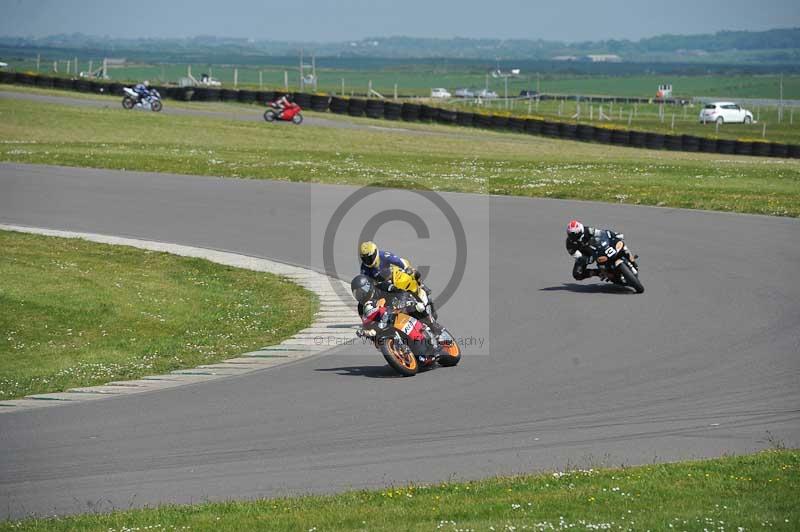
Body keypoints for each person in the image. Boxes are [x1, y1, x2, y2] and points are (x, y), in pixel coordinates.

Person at [350, 274, 439, 366]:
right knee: (377, 340)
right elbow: (366, 321)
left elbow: (399, 291)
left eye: (361, 292)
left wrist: (401, 302)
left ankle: (432, 325)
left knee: (417, 307)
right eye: (356, 293)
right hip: (385, 319)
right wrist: (368, 333)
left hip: (398, 306)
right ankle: (399, 352)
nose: (360, 295)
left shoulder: (381, 286)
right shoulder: (361, 307)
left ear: (368, 286)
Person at [358, 241, 437, 320]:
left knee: (414, 275)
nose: (368, 261)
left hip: (394, 276)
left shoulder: (384, 256)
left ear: (376, 252)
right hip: (381, 285)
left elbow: (400, 262)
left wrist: (408, 269)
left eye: (369, 257)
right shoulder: (364, 268)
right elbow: (367, 282)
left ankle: (422, 287)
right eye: (365, 259)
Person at [566, 219, 635, 280]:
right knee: (577, 274)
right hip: (586, 254)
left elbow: (603, 233)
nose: (573, 236)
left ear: (581, 230)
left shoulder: (588, 230)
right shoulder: (569, 244)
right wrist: (585, 259)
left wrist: (614, 234)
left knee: (618, 242)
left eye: (575, 234)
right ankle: (599, 273)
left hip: (597, 247)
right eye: (571, 234)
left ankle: (630, 257)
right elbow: (577, 255)